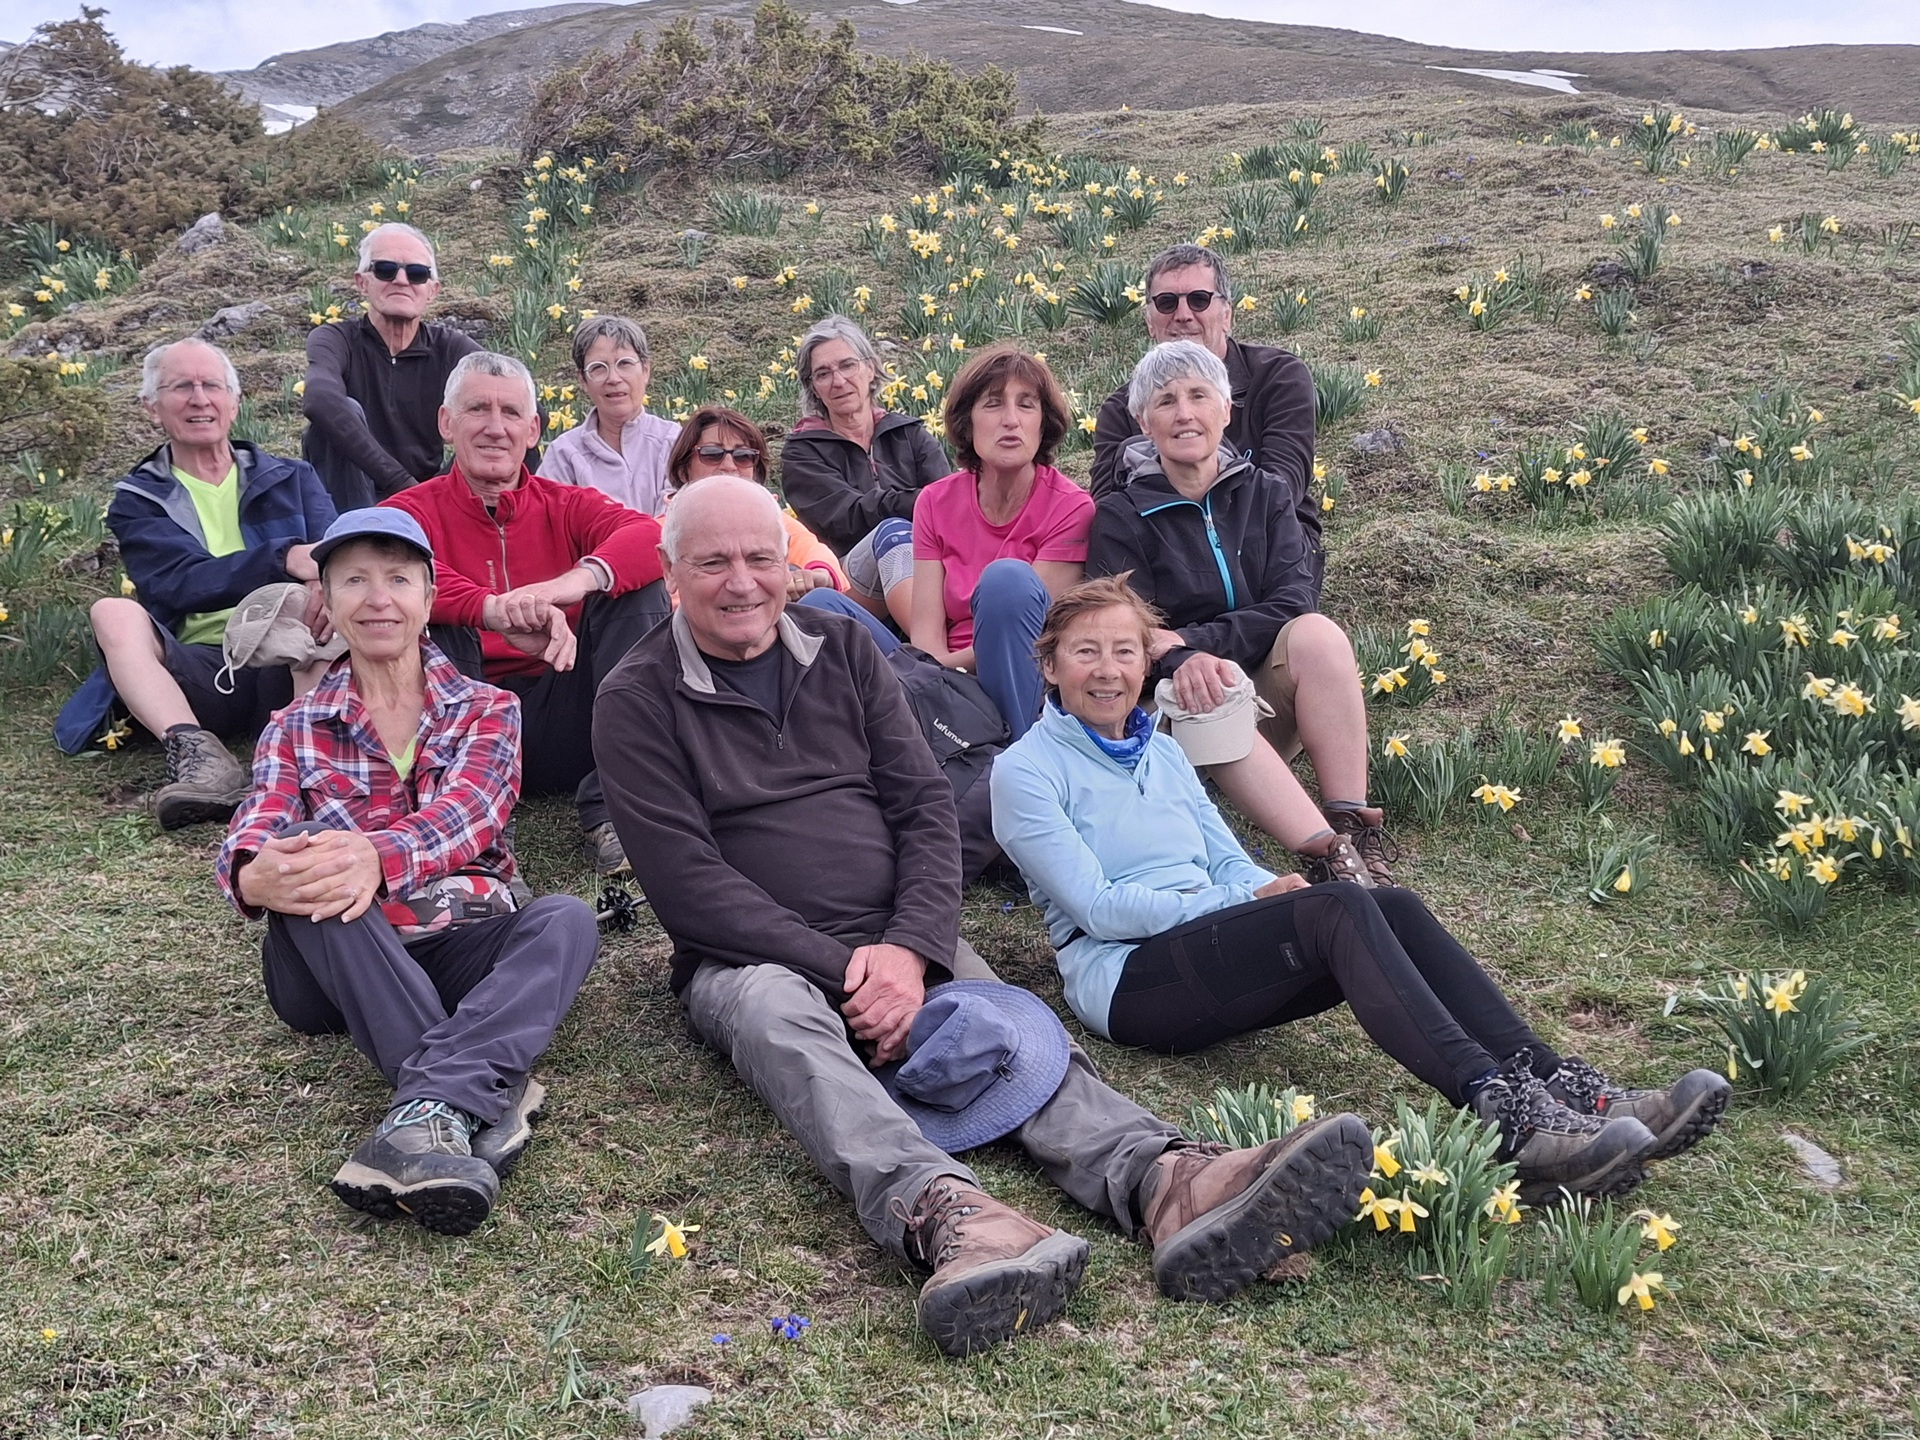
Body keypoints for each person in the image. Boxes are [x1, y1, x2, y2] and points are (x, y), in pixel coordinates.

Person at [592, 476, 1374, 1359]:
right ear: (670, 576)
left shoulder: (843, 651)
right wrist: (848, 971)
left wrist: (909, 947)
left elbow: (924, 807)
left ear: (788, 564)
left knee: (1007, 1028)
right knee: (781, 1018)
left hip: (893, 929)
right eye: (713, 563)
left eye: (759, 558)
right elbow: (689, 887)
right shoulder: (635, 697)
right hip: (751, 956)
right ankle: (951, 1215)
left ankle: (1165, 1180)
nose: (742, 582)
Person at [992, 576, 1732, 1202]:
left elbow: (1226, 860)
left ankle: (1565, 1086)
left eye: (1125, 651)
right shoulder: (1025, 772)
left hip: (1206, 946)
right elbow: (1098, 909)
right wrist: (1244, 904)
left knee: (1389, 903)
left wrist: (1266, 889)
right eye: (1085, 652)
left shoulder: (1162, 750)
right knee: (1340, 904)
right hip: (1126, 982)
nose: (1108, 670)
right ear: (1049, 665)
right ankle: (1504, 1117)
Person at [217, 507, 598, 1235]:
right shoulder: (293, 725)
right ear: (327, 602)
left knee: (566, 919)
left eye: (397, 579)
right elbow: (259, 822)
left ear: (428, 598)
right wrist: (247, 875)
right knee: (304, 846)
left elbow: (472, 814)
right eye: (354, 580)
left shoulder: (488, 708)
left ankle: (426, 1114)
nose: (378, 599)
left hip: (461, 940)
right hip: (335, 959)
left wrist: (375, 856)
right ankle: (477, 1096)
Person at [1089, 340, 1395, 882]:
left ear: (1226, 410)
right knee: (1205, 689)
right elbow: (1126, 630)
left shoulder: (1267, 494)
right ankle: (1328, 855)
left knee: (1317, 634)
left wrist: (1195, 643)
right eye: (1165, 401)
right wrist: (1185, 660)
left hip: (1261, 698)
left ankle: (1354, 822)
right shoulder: (1120, 515)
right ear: (1143, 423)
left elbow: (1294, 600)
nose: (1184, 413)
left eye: (1199, 396)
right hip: (1178, 715)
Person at [381, 351, 670, 876]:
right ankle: (471, 809)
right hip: (460, 722)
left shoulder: (566, 504)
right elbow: (383, 565)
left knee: (635, 589)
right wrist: (491, 609)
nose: (496, 427)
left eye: (511, 413)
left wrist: (567, 586)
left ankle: (616, 808)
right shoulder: (409, 511)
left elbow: (649, 536)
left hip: (565, 713)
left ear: (533, 430)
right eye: (478, 409)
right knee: (420, 607)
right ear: (446, 422)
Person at [55, 339, 338, 827]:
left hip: (290, 659)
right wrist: (284, 557)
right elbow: (179, 583)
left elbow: (333, 557)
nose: (199, 399)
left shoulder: (294, 477)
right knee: (112, 612)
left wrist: (322, 582)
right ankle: (199, 757)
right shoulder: (139, 498)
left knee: (331, 602)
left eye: (212, 385)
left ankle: (294, 762)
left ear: (235, 402)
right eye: (181, 387)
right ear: (152, 407)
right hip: (203, 673)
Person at [1090, 244, 1321, 597]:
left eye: (1199, 300)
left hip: (1269, 550)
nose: (1183, 315)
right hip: (1170, 564)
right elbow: (1108, 511)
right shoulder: (1122, 409)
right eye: (1167, 302)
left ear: (1227, 314)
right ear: (1149, 320)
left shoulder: (1278, 378)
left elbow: (1285, 485)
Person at [902, 346, 1092, 740]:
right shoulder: (934, 501)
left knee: (1006, 580)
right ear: (967, 423)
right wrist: (934, 675)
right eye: (993, 404)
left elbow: (1031, 636)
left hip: (1019, 681)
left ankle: (1013, 752)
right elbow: (925, 639)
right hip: (940, 675)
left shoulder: (1072, 508)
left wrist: (945, 671)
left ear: (1043, 425)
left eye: (1026, 405)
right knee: (825, 607)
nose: (1011, 420)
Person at [301, 223, 536, 511]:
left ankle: (498, 520)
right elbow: (319, 399)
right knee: (336, 416)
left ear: (432, 290)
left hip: (425, 501)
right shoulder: (336, 339)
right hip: (346, 499)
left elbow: (531, 408)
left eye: (416, 273)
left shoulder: (450, 349)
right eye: (385, 269)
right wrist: (401, 484)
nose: (401, 281)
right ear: (362, 282)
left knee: (515, 421)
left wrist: (441, 488)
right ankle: (357, 533)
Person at [780, 315, 948, 631]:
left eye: (847, 365)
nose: (838, 381)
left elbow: (947, 503)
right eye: (823, 373)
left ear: (870, 368)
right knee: (893, 533)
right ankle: (930, 646)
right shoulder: (802, 452)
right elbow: (847, 518)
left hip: (924, 561)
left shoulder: (909, 434)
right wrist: (918, 502)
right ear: (813, 387)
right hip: (848, 579)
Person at [664, 404, 845, 598]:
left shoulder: (775, 521)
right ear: (683, 470)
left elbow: (816, 555)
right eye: (712, 454)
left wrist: (816, 576)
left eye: (743, 456)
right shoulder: (661, 532)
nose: (729, 466)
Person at [536, 315, 682, 516]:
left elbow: (677, 522)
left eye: (624, 363)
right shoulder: (564, 454)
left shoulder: (673, 441)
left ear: (646, 370)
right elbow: (547, 520)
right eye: (598, 368)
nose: (613, 378)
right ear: (583, 380)